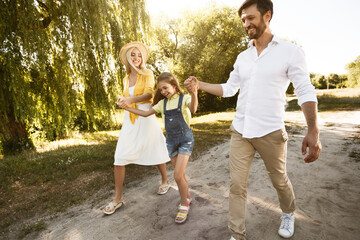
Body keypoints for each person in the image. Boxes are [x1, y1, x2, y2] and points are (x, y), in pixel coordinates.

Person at [184, 0, 322, 239]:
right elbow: (229, 89)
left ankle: (288, 213)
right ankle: (236, 234)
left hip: (270, 131)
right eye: (243, 20)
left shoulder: (290, 51)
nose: (246, 24)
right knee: (237, 185)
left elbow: (305, 91)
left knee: (279, 180)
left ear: (267, 15)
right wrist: (199, 85)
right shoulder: (242, 57)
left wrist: (313, 131)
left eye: (251, 18)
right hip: (241, 131)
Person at [118, 72, 198, 223]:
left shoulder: (184, 98)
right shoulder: (163, 104)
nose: (163, 92)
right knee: (181, 175)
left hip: (185, 140)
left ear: (174, 86)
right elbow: (146, 113)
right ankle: (186, 195)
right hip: (172, 142)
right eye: (161, 90)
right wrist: (127, 108)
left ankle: (184, 204)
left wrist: (194, 93)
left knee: (177, 176)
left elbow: (193, 109)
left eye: (166, 88)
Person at [103, 42, 171, 215]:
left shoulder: (147, 73)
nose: (137, 58)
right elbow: (128, 97)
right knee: (119, 157)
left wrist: (130, 101)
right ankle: (117, 199)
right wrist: (123, 100)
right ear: (128, 58)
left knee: (154, 146)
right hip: (130, 119)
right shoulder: (125, 78)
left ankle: (165, 180)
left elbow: (149, 94)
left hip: (146, 116)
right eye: (133, 55)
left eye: (139, 55)